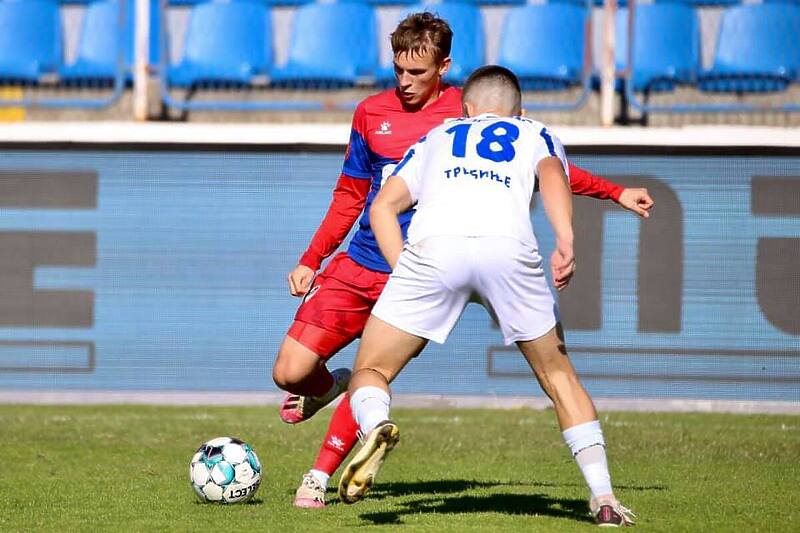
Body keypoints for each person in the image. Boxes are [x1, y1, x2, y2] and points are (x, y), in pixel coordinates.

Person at [271, 12, 654, 509]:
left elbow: (393, 201)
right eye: (398, 71)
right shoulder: (376, 114)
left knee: (374, 371)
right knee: (292, 372)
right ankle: (603, 497)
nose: (405, 82)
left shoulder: (457, 119)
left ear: (446, 71)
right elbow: (353, 193)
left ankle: (320, 476)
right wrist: (313, 257)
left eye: (418, 72)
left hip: (425, 260)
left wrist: (614, 191)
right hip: (414, 255)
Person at [337, 65, 636, 528]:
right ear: (519, 110)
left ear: (467, 109)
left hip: (434, 250)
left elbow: (383, 206)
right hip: (507, 248)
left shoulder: (439, 136)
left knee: (371, 369)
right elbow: (553, 175)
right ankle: (604, 499)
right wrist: (566, 240)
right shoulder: (533, 131)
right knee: (559, 377)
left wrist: (406, 274)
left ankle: (375, 424)